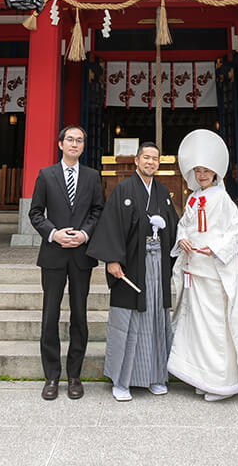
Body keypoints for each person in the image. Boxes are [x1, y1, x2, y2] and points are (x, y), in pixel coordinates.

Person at [86, 141, 178, 401]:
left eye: (155, 159)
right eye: (146, 158)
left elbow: (173, 224)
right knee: (126, 322)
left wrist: (168, 229)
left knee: (156, 319)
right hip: (130, 265)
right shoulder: (123, 189)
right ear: (136, 161)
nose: (150, 162)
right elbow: (111, 226)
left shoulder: (162, 191)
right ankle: (121, 381)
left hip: (157, 264)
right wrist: (112, 260)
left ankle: (155, 376)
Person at [167, 129, 238, 401]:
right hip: (194, 270)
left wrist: (214, 248)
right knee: (197, 328)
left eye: (207, 170)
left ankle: (221, 382)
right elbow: (184, 226)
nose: (202, 175)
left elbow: (236, 231)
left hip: (213, 271)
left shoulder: (223, 199)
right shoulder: (191, 198)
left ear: (215, 173)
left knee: (216, 328)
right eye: (197, 171)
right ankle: (202, 378)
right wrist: (184, 241)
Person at [28, 125, 104, 401]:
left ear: (83, 146)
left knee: (79, 316)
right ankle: (51, 375)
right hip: (54, 253)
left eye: (79, 140)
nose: (74, 144)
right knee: (50, 315)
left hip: (81, 255)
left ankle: (74, 375)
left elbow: (98, 210)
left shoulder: (92, 176)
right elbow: (35, 212)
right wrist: (53, 233)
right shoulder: (46, 175)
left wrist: (84, 234)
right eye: (70, 139)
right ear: (60, 144)